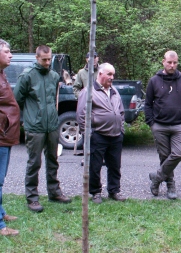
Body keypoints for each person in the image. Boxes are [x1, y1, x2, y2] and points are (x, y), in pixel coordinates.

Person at [14, 45, 71, 213]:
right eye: (44, 59)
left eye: (49, 59)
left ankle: (54, 192)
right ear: (37, 58)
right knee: (34, 162)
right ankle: (32, 198)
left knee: (53, 160)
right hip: (35, 127)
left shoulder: (54, 76)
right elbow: (17, 99)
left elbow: (54, 99)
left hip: (52, 125)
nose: (47, 62)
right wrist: (27, 118)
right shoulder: (27, 76)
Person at [145, 50, 181, 200]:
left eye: (175, 63)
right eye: (169, 62)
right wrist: (151, 123)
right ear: (163, 62)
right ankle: (170, 185)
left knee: (179, 153)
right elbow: (147, 104)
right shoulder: (154, 81)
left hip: (179, 125)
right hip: (159, 125)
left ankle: (156, 178)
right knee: (164, 157)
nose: (172, 65)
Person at [77, 63, 126, 204]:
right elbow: (81, 115)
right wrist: (89, 134)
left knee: (115, 166)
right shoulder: (88, 91)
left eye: (113, 75)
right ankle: (95, 193)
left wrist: (121, 129)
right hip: (98, 135)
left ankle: (114, 190)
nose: (112, 77)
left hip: (116, 135)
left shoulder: (114, 91)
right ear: (100, 74)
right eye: (109, 74)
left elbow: (121, 112)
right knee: (95, 166)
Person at [0, 39, 20, 236]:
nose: (11, 55)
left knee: (1, 179)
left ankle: (1, 213)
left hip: (5, 136)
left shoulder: (2, 74)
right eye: (7, 52)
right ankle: (0, 226)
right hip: (0, 136)